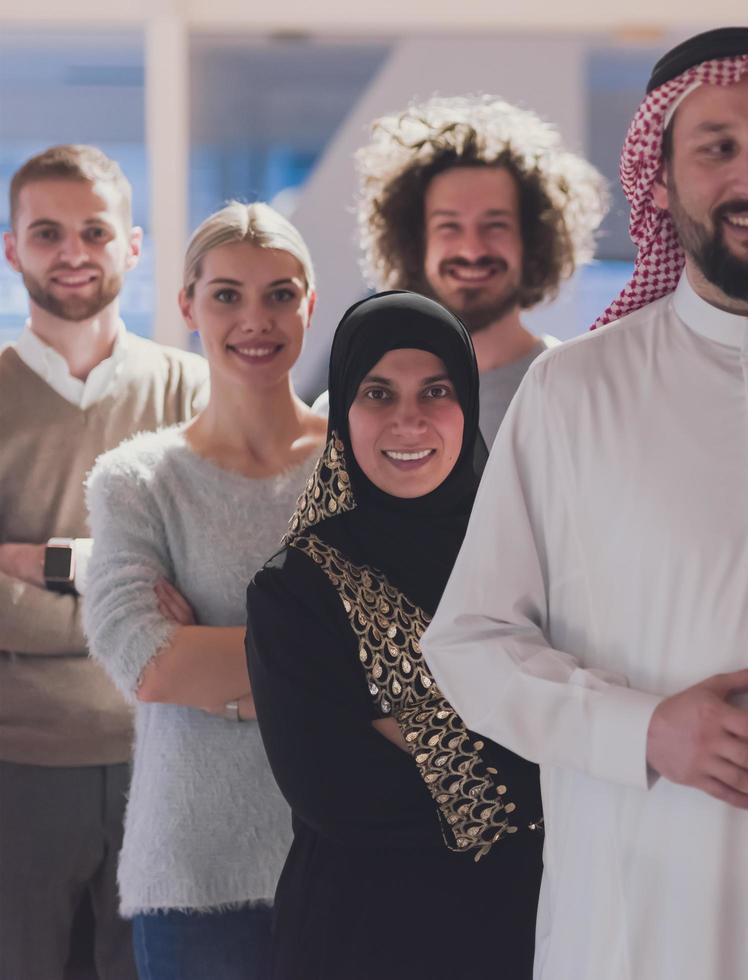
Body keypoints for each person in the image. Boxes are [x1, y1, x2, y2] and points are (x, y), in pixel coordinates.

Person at [422, 27, 748, 980]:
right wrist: (644, 728)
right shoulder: (575, 395)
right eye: (719, 146)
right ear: (659, 177)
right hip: (642, 926)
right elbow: (469, 646)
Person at [246, 291, 543, 980]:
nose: (408, 419)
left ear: (467, 403)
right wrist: (534, 751)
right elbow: (341, 796)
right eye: (378, 392)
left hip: (528, 933)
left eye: (435, 390)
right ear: (342, 412)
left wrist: (416, 729)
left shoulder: (530, 563)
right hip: (360, 941)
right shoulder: (295, 587)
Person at [83, 201, 326, 980]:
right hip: (195, 871)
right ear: (187, 306)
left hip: (350, 850)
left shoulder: (358, 467)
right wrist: (327, 668)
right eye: (227, 294)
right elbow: (146, 662)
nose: (255, 319)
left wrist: (224, 677)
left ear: (309, 305)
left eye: (279, 294)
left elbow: (407, 650)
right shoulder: (138, 479)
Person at [0, 144, 207, 980]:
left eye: (94, 229)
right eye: (47, 232)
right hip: (16, 767)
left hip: (165, 760)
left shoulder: (197, 394)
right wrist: (131, 592)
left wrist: (40, 564)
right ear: (11, 248)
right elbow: (168, 600)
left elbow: (213, 585)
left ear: (133, 244)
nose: (73, 251)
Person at [315, 96, 607, 444]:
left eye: (495, 225)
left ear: (532, 240)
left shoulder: (582, 396)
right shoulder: (353, 404)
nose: (472, 250)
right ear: (414, 242)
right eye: (449, 226)